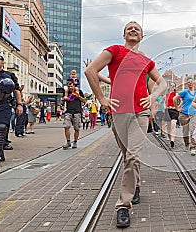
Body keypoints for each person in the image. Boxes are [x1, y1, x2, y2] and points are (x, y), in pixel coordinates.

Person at [84, 21, 167, 228]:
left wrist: (153, 96)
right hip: (119, 112)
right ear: (123, 34)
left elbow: (163, 83)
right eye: (129, 27)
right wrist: (102, 99)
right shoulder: (115, 51)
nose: (133, 30)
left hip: (140, 111)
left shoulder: (146, 61)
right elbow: (90, 71)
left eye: (137, 28)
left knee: (133, 155)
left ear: (142, 36)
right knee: (126, 155)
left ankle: (123, 205)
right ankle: (135, 184)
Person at [0, 54, 23, 166]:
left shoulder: (9, 75)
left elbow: (16, 90)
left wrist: (19, 104)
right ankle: (0, 153)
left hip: (3, 105)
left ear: (2, 63)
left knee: (2, 127)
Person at [173, 77, 196, 155]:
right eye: (188, 82)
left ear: (194, 83)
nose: (190, 83)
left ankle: (193, 147)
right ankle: (186, 143)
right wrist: (177, 108)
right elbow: (175, 98)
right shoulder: (184, 92)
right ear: (187, 84)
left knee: (192, 130)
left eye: (191, 82)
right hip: (184, 114)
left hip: (194, 113)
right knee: (185, 131)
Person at [62, 80, 86, 150]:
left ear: (74, 86)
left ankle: (75, 142)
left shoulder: (79, 91)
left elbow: (84, 100)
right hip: (68, 112)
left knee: (77, 129)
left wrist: (79, 97)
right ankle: (68, 142)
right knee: (66, 126)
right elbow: (63, 100)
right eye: (69, 86)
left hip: (77, 112)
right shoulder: (66, 92)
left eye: (71, 86)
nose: (70, 87)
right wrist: (64, 99)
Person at [165, 83, 179, 147]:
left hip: (175, 111)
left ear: (174, 87)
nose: (172, 87)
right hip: (168, 110)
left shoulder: (176, 94)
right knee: (168, 126)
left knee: (173, 124)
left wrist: (178, 107)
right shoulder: (167, 95)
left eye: (173, 86)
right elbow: (164, 102)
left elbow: (181, 101)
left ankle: (172, 140)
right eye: (171, 85)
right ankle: (170, 138)